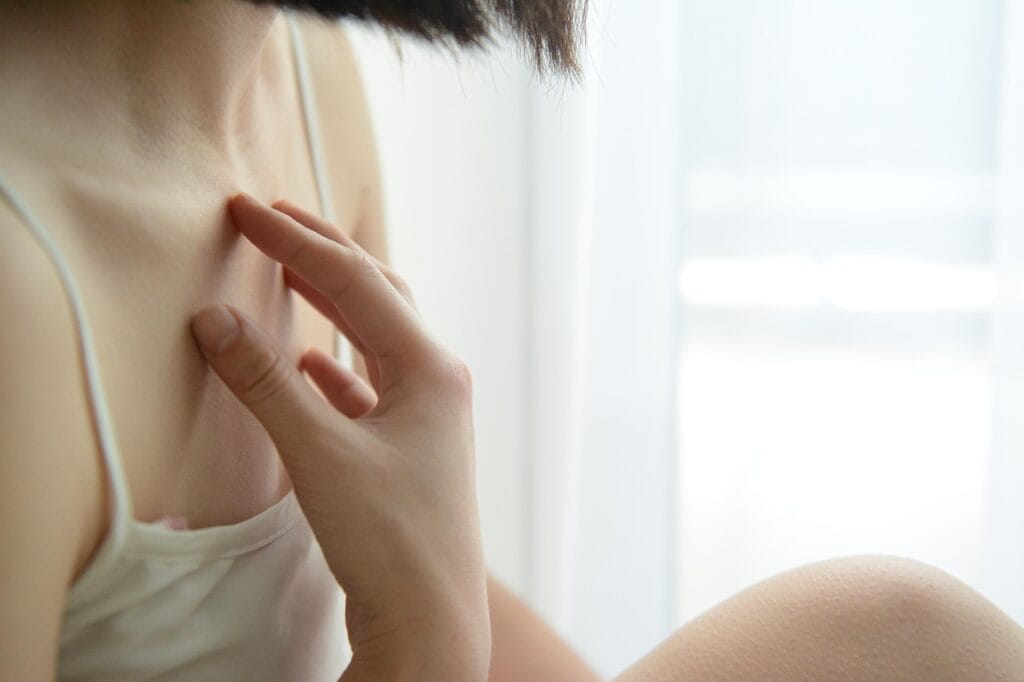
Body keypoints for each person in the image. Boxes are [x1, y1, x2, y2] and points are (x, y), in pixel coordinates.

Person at [0, 1, 1022, 680]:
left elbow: (400, 573)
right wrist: (418, 649)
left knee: (907, 642)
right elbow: (419, 613)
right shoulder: (25, 295)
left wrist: (435, 594)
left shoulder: (302, 72)